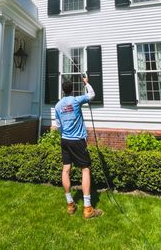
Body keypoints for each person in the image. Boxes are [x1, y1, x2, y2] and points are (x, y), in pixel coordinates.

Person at [55, 76, 103, 219]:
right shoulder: (76, 100)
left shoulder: (58, 106)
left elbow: (58, 126)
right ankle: (88, 208)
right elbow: (92, 95)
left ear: (63, 91)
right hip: (77, 141)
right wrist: (86, 83)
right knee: (85, 169)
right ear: (72, 90)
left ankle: (70, 204)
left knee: (66, 170)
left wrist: (65, 134)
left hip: (65, 140)